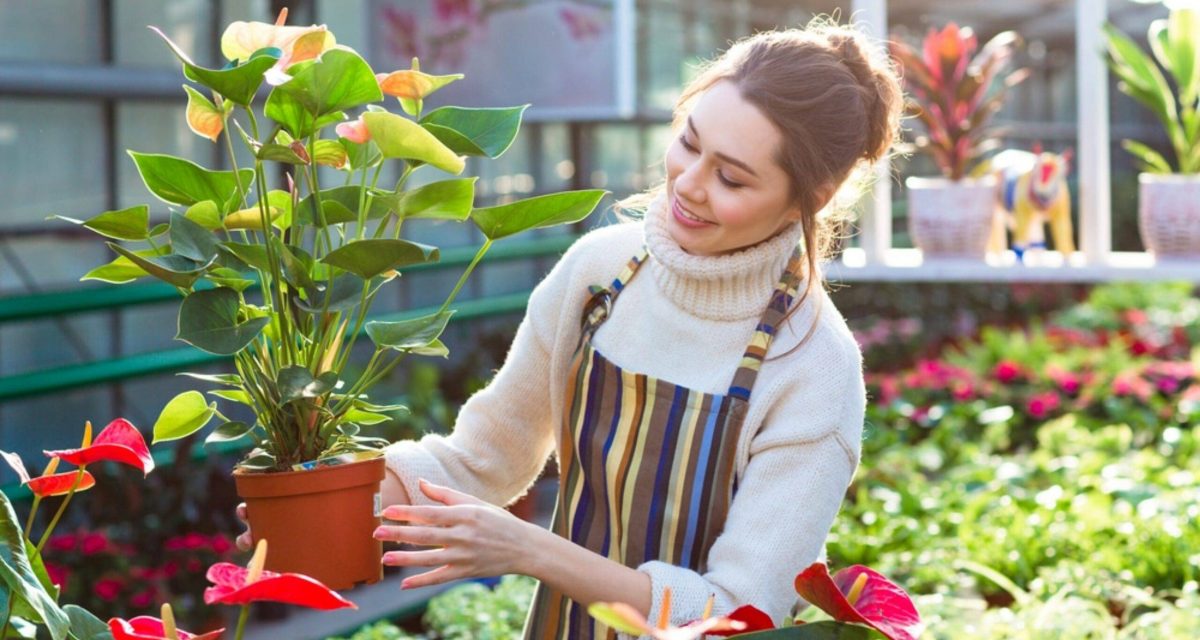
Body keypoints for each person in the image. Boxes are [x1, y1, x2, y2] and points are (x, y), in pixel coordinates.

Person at [239, 17, 902, 640]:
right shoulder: (600, 274)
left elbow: (736, 613)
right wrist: (317, 512)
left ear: (810, 198)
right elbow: (482, 458)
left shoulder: (813, 366)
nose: (689, 185)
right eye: (689, 143)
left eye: (730, 177)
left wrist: (532, 550)